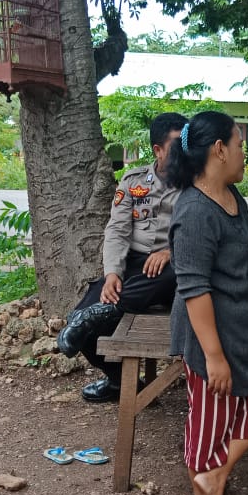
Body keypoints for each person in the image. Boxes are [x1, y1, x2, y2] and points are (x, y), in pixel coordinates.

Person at [166, 111, 248, 495]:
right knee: (212, 419)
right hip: (210, 336)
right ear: (219, 149)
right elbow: (194, 289)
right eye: (240, 145)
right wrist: (213, 356)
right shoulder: (195, 212)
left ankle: (214, 478)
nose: (244, 155)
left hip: (246, 329)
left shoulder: (235, 198)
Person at [56, 113, 187, 402]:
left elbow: (202, 234)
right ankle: (119, 383)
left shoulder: (196, 183)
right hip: (133, 266)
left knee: (170, 269)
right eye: (178, 145)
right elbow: (116, 229)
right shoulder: (133, 180)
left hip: (172, 270)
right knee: (81, 321)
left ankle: (101, 313)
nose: (185, 151)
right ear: (158, 150)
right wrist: (113, 272)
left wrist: (170, 251)